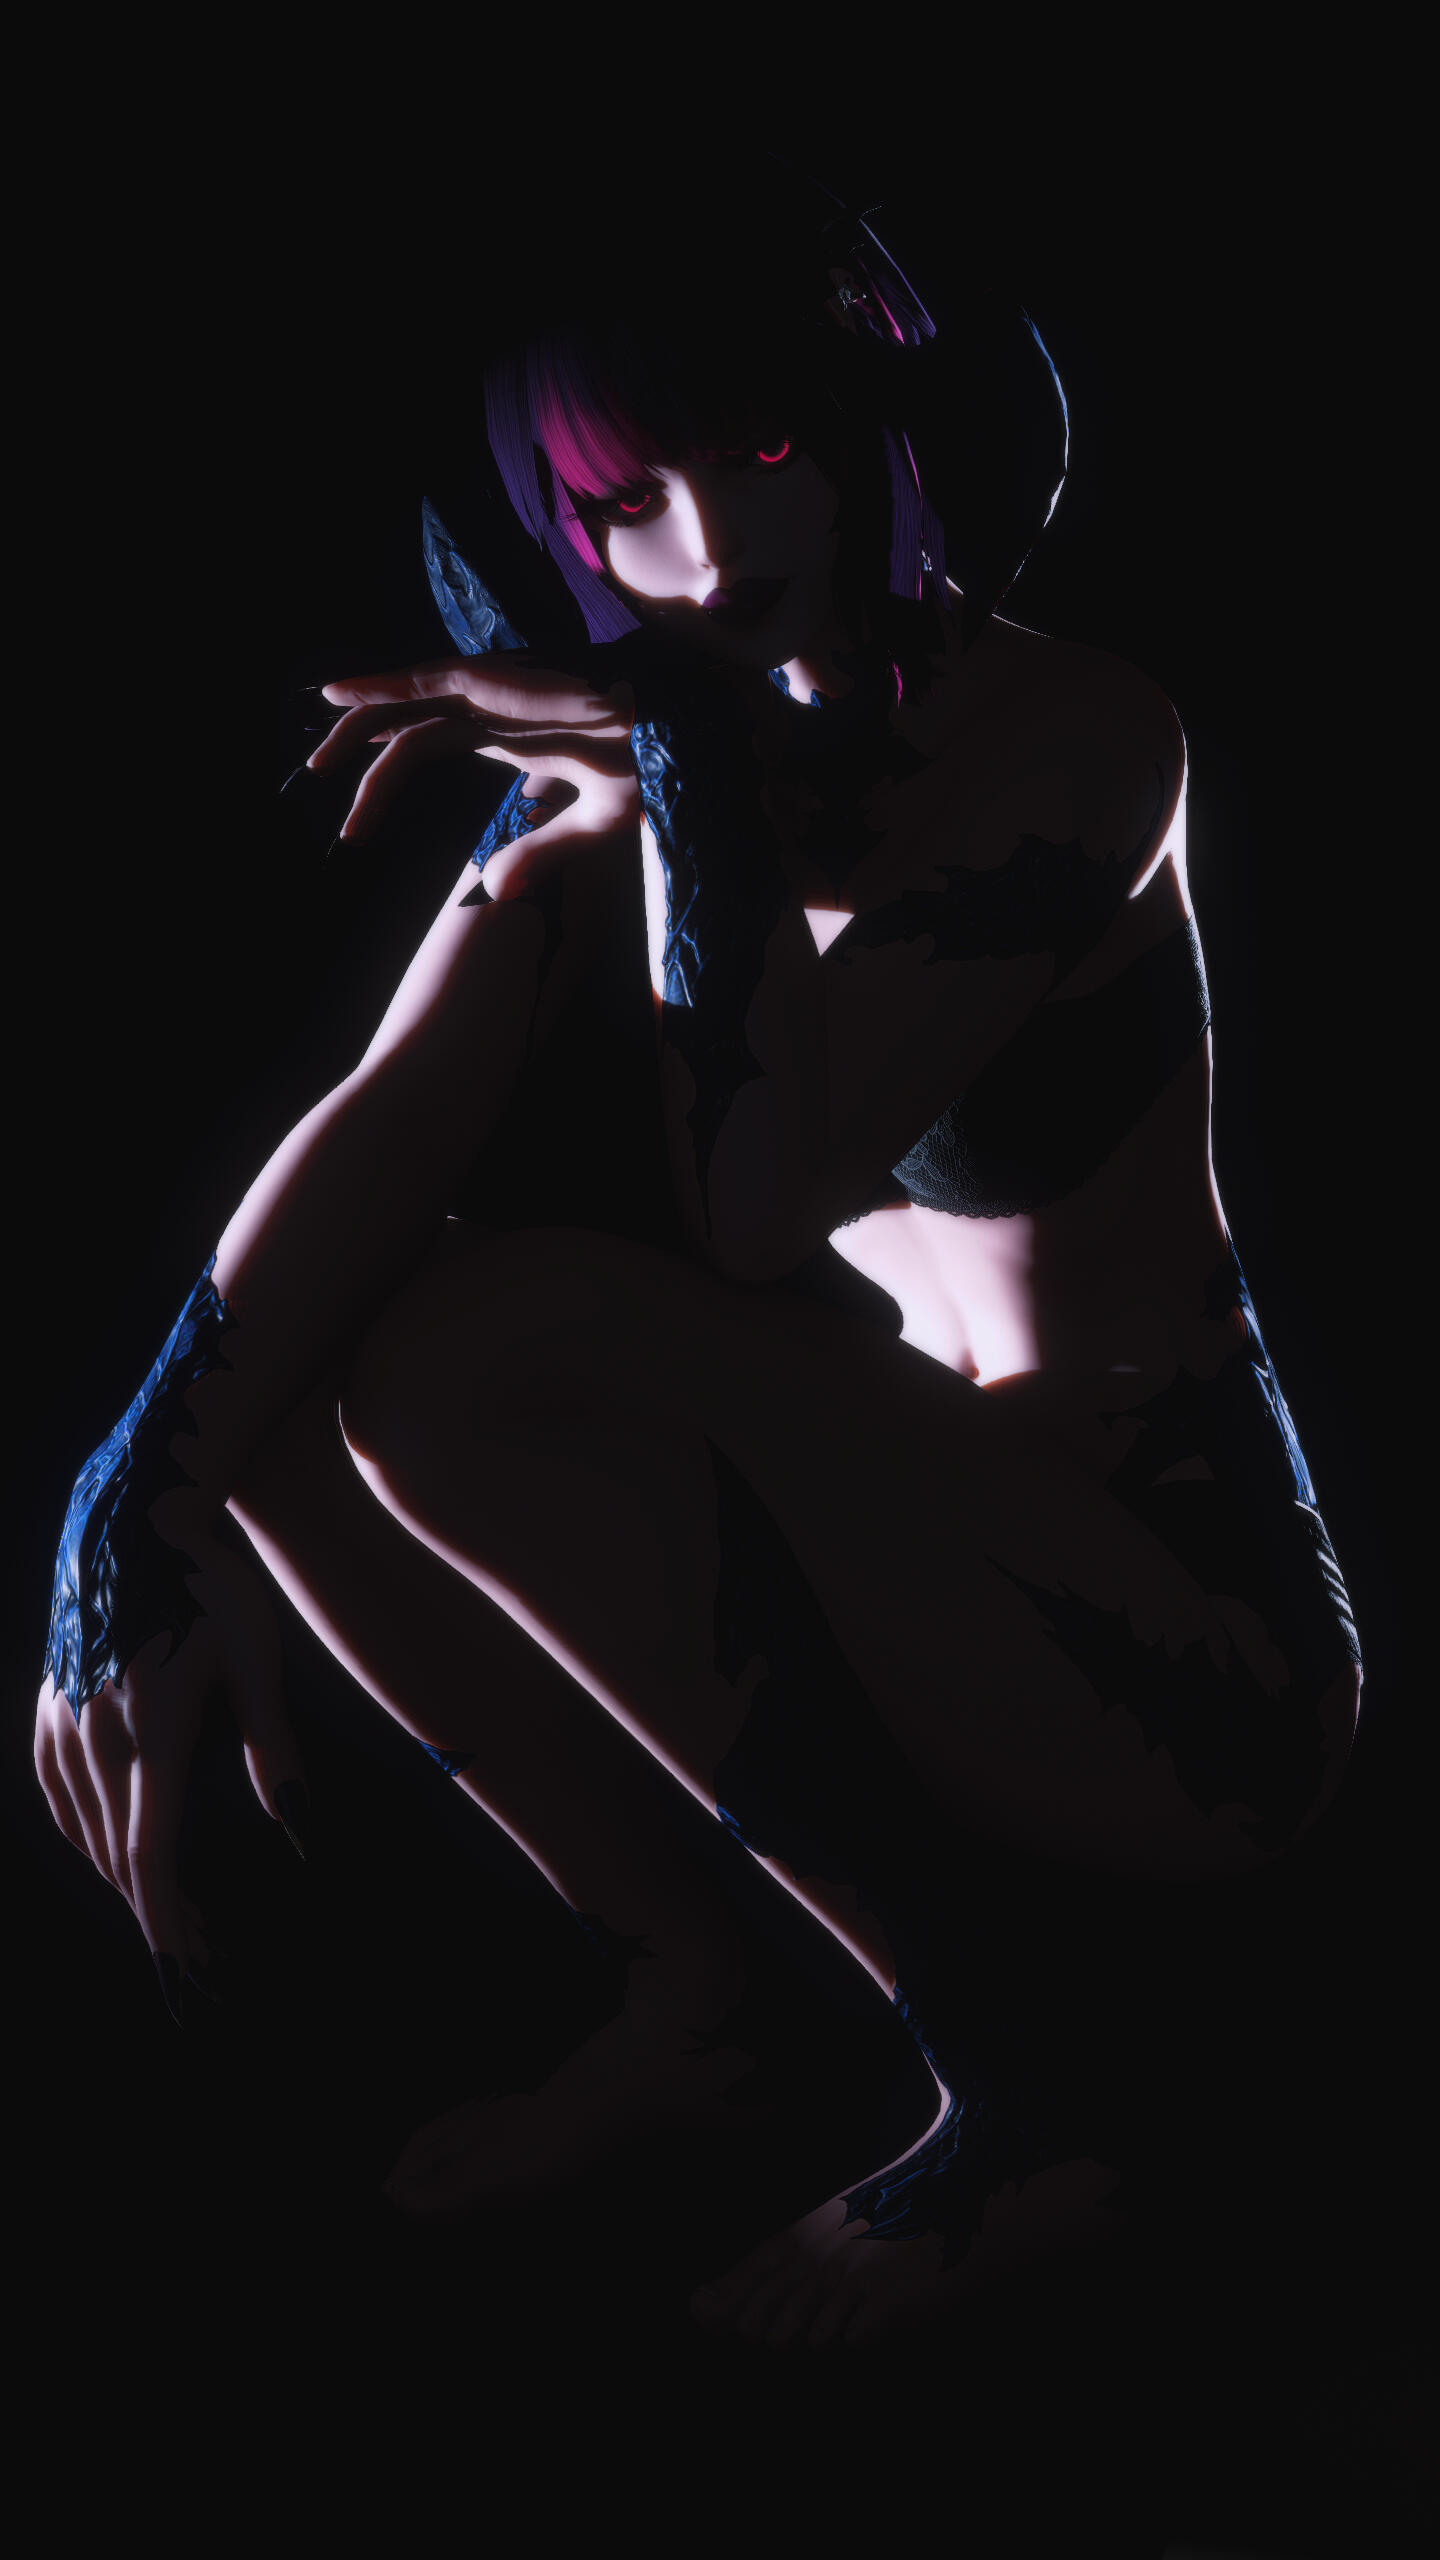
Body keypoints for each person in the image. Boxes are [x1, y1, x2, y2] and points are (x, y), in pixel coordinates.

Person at [32, 151, 1363, 2349]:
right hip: (920, 1586)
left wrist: (669, 754)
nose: (714, 553)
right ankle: (705, 1995)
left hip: (1183, 1660)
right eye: (627, 503)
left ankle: (1033, 2092)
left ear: (867, 432)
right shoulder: (665, 770)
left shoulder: (1074, 739)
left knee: (501, 1326)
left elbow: (752, 1207)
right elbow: (378, 1122)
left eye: (755, 457)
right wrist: (126, 1506)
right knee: (304, 1361)